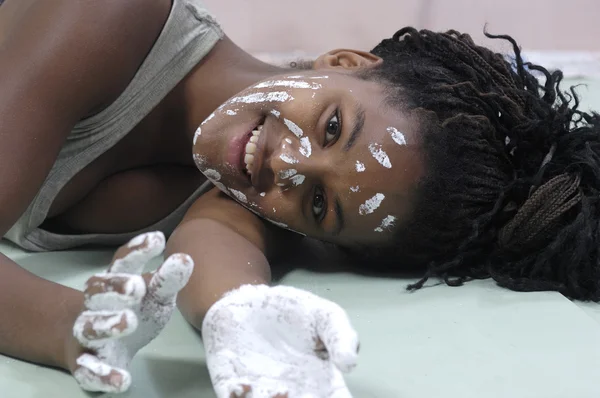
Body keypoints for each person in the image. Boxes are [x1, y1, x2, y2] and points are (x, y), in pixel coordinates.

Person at [1, 0, 599, 396]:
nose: (285, 165)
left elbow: (220, 249)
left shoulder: (248, 193)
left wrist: (237, 317)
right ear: (344, 62)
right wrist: (63, 326)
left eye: (318, 205)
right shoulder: (108, 16)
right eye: (334, 126)